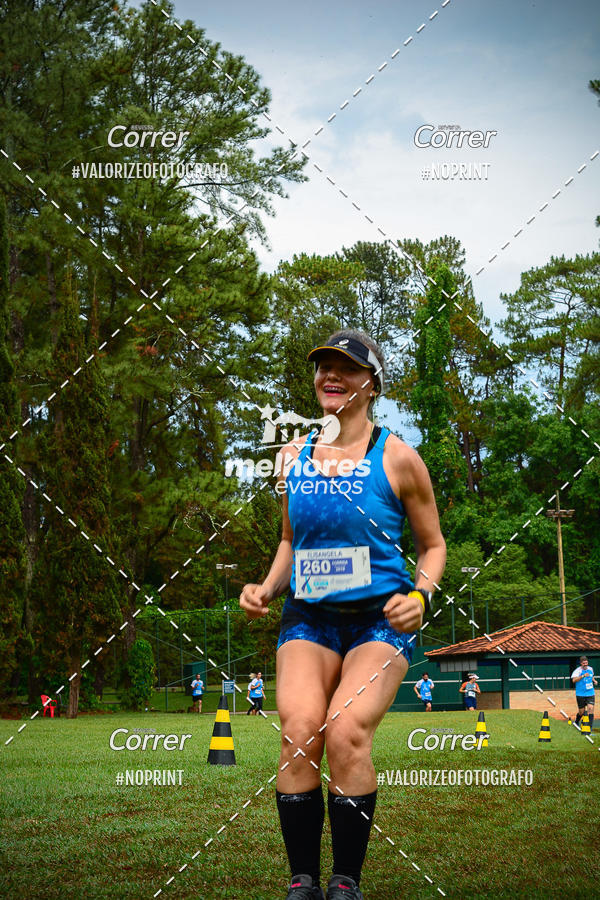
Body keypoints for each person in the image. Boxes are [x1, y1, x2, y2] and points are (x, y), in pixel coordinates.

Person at [240, 330, 446, 900]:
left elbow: (433, 547)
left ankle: (345, 884)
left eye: (347, 368)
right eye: (324, 367)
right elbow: (289, 541)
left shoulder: (399, 458)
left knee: (347, 731)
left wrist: (421, 597)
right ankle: (304, 881)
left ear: (372, 384)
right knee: (302, 731)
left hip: (378, 620)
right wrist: (266, 586)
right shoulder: (291, 456)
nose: (331, 376)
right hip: (309, 616)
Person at [571, 655, 598, 731]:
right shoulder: (577, 671)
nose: (585, 665)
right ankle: (576, 722)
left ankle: (590, 728)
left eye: (586, 663)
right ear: (581, 663)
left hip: (590, 693)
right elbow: (574, 680)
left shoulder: (590, 669)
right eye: (584, 663)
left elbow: (591, 676)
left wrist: (594, 680)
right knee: (581, 712)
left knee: (590, 708)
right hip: (580, 694)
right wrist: (582, 676)